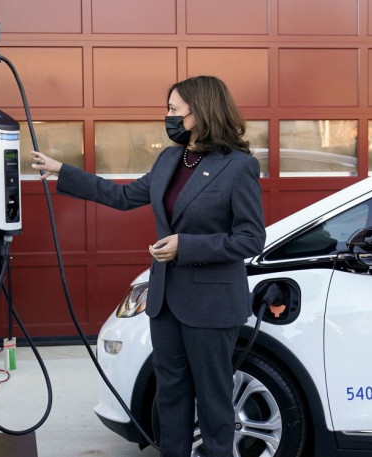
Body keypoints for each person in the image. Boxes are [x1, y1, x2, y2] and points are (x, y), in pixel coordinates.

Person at [32, 75, 266, 457]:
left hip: (211, 306)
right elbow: (123, 196)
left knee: (213, 400)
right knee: (171, 396)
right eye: (169, 109)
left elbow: (251, 239)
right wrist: (64, 171)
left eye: (175, 110)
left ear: (201, 112)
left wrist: (184, 246)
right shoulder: (171, 158)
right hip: (166, 303)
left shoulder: (238, 167)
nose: (168, 116)